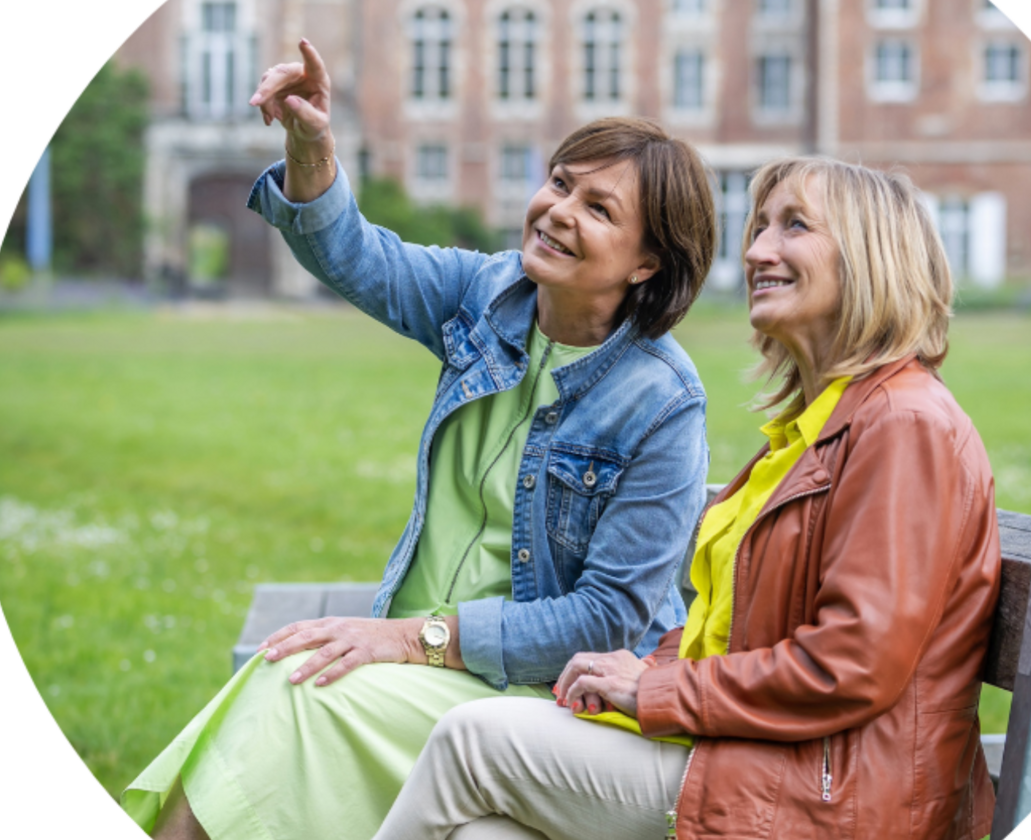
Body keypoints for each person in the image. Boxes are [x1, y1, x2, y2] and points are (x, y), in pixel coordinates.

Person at [121, 40, 716, 840]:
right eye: (560, 184)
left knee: (293, 690)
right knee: (287, 684)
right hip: (421, 663)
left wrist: (409, 638)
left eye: (599, 209)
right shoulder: (490, 295)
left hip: (536, 694)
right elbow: (356, 257)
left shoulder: (662, 403)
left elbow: (605, 621)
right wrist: (310, 146)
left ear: (647, 262)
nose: (559, 211)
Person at [371, 156, 1003, 840]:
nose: (759, 249)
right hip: (763, 759)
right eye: (759, 227)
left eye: (795, 226)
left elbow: (849, 664)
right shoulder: (811, 430)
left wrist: (654, 690)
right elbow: (740, 636)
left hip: (836, 802)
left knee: (474, 740)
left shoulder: (904, 424)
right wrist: (650, 664)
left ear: (872, 254)